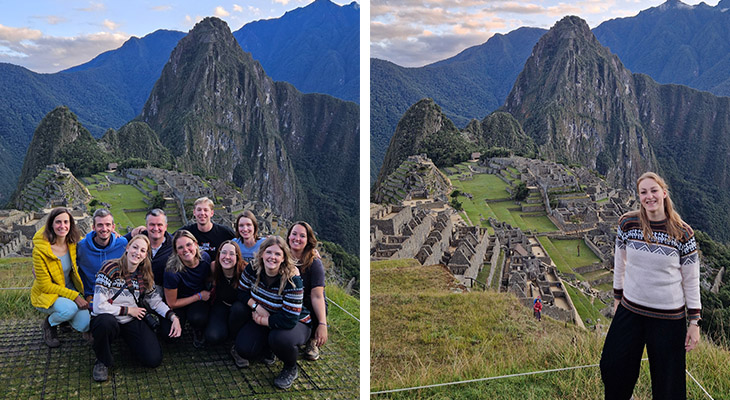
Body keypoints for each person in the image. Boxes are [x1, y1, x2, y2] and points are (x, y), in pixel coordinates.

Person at [600, 172, 701, 399]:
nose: (649, 196)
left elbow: (691, 280)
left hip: (668, 317)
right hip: (631, 310)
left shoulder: (683, 233)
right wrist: (617, 300)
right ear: (639, 196)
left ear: (664, 193)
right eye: (643, 192)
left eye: (653, 190)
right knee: (613, 365)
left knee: (668, 383)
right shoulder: (628, 223)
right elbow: (620, 263)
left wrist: (694, 321)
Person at [90, 235, 182, 382]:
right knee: (105, 323)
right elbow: (99, 306)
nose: (137, 252)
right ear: (127, 248)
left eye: (142, 250)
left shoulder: (144, 275)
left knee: (153, 359)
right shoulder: (110, 268)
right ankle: (102, 360)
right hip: (108, 317)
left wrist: (173, 317)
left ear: (146, 255)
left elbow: (155, 302)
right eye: (134, 247)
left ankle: (129, 343)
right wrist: (128, 310)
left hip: (129, 320)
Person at [232, 236, 311, 390]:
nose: (272, 258)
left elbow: (289, 319)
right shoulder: (253, 269)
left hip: (295, 323)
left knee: (279, 337)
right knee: (244, 349)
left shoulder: (292, 280)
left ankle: (290, 367)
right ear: (262, 254)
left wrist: (263, 321)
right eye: (269, 252)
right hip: (263, 315)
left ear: (283, 258)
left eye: (277, 254)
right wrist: (256, 306)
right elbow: (241, 292)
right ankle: (267, 349)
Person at [31, 207, 90, 348]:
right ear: (51, 224)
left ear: (70, 224)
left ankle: (64, 320)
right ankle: (50, 324)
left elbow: (92, 241)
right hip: (48, 294)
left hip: (68, 291)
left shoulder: (73, 242)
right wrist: (75, 296)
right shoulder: (40, 251)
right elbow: (45, 286)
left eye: (66, 222)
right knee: (69, 309)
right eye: (58, 222)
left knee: (85, 324)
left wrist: (117, 235)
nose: (62, 226)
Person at [161, 230, 211, 348]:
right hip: (178, 301)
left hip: (197, 301)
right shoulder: (172, 271)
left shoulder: (205, 258)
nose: (186, 250)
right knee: (169, 337)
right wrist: (199, 296)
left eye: (189, 244)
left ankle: (197, 329)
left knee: (198, 318)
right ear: (176, 251)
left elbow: (208, 277)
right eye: (180, 247)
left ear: (196, 244)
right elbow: (172, 303)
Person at [287, 221, 327, 361]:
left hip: (309, 303)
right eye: (294, 234)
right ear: (288, 236)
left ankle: (312, 340)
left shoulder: (314, 263)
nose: (297, 238)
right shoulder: (283, 257)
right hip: (289, 302)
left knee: (312, 300)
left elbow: (318, 296)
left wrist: (323, 323)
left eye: (302, 236)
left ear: (308, 240)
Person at [77, 208, 128, 303]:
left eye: (108, 225)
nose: (104, 229)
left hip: (116, 295)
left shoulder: (122, 244)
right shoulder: (82, 247)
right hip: (92, 297)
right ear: (93, 227)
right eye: (100, 225)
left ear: (113, 227)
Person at [205, 240, 247, 352]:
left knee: (238, 309)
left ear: (238, 256)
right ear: (219, 254)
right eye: (223, 252)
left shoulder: (245, 270)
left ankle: (234, 337)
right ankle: (226, 329)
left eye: (232, 254)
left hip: (241, 310)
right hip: (222, 304)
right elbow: (212, 282)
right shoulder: (214, 267)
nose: (227, 257)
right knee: (213, 337)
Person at [125, 209, 174, 292]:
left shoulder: (174, 245)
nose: (156, 228)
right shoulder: (136, 240)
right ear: (146, 225)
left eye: (159, 225)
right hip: (134, 289)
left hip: (162, 292)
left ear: (165, 227)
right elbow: (118, 242)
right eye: (152, 224)